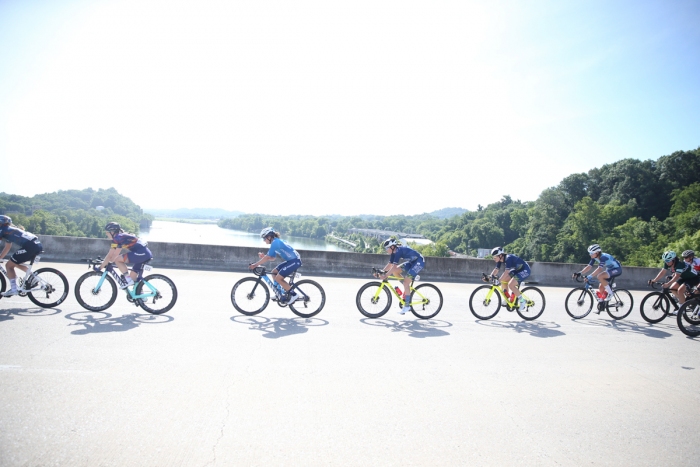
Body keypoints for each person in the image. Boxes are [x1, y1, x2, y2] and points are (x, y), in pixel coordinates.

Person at [249, 227, 302, 304]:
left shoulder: (275, 242)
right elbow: (272, 258)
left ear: (269, 237)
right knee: (274, 272)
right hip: (291, 261)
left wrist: (255, 264)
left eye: (264, 238)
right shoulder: (275, 243)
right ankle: (279, 293)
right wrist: (264, 257)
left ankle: (294, 294)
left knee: (279, 278)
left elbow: (268, 258)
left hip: (295, 261)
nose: (264, 240)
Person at [95, 222, 153, 289]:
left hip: (142, 253)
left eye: (107, 232)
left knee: (118, 260)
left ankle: (127, 279)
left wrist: (100, 267)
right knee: (133, 278)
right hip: (144, 254)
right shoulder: (120, 237)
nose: (106, 234)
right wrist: (107, 262)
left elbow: (111, 255)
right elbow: (115, 254)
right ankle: (140, 296)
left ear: (112, 232)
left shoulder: (117, 238)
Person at [377, 238, 425, 314]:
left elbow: (394, 266)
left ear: (392, 247)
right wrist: (381, 272)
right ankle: (407, 287)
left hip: (419, 262)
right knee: (395, 272)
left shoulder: (398, 251)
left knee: (405, 282)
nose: (386, 250)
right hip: (411, 262)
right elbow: (390, 265)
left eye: (387, 248)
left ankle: (407, 306)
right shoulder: (393, 253)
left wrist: (386, 275)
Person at [0, 215, 43, 297]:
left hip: (30, 246)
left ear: (2, 223)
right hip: (36, 245)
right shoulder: (9, 230)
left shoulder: (3, 229)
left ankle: (13, 289)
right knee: (14, 262)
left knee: (8, 266)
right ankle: (33, 277)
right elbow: (7, 247)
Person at [488, 247, 531, 312]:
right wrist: (489, 277)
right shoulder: (499, 260)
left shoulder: (508, 258)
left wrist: (498, 280)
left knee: (511, 284)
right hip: (517, 270)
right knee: (503, 281)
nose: (494, 259)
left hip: (525, 270)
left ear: (500, 255)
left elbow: (506, 272)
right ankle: (507, 298)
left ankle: (522, 301)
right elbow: (496, 270)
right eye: (493, 257)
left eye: (495, 257)